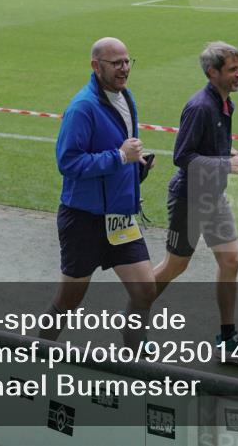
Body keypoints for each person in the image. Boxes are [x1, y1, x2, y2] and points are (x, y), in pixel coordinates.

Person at [42, 37, 155, 346]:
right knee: (68, 301)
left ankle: (134, 354)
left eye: (128, 61)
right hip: (84, 219)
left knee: (145, 289)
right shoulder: (83, 107)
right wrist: (119, 157)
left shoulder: (126, 97)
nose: (124, 68)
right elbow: (68, 162)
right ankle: (34, 355)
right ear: (96, 66)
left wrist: (136, 167)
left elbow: (123, 152)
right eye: (116, 63)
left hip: (119, 217)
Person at [152, 41, 238, 356]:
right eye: (233, 69)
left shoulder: (225, 103)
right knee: (175, 266)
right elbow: (182, 156)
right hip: (189, 198)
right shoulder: (200, 107)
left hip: (214, 196)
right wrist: (226, 164)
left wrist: (226, 150)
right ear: (213, 72)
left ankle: (227, 337)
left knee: (230, 260)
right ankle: (133, 313)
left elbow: (206, 146)